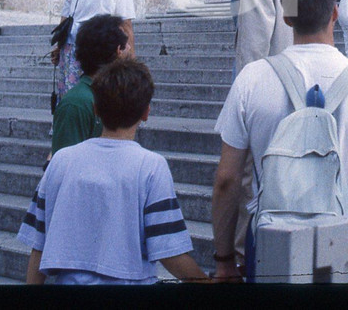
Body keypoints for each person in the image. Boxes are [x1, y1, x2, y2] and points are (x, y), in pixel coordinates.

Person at [211, 0, 348, 283]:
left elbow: (226, 180)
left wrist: (224, 260)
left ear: (286, 18)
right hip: (341, 234)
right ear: (335, 13)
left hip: (272, 238)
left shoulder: (252, 78)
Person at [18, 58, 207, 285]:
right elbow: (169, 251)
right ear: (146, 112)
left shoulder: (61, 160)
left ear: (95, 108)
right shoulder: (151, 166)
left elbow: (38, 246)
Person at [226, 0, 295, 268]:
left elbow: (253, 46)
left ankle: (242, 256)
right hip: (290, 85)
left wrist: (242, 97)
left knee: (247, 180)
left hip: (262, 90)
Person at [50, 0, 136, 100]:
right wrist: (131, 58)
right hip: (103, 50)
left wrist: (58, 47)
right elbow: (126, 25)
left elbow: (65, 18)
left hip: (73, 46)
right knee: (101, 95)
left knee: (71, 93)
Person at [50, 14, 130, 157]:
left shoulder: (108, 94)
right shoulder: (76, 104)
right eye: (126, 45)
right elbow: (66, 162)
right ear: (119, 51)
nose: (130, 49)